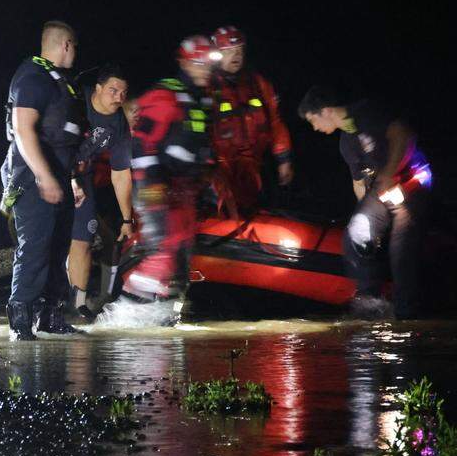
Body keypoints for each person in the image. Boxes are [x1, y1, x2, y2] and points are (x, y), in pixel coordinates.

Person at [298, 87, 430, 319]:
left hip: (412, 181)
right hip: (381, 191)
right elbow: (358, 183)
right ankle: (371, 305)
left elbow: (402, 135)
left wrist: (389, 173)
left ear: (326, 111)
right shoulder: (346, 142)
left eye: (313, 121)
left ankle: (406, 313)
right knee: (357, 232)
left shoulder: (367, 112)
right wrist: (369, 218)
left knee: (402, 249)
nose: (315, 128)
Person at [1, 21, 86, 340]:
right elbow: (23, 130)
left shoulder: (59, 81)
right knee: (35, 247)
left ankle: (50, 316)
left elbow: (64, 138)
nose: (75, 53)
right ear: (66, 45)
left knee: (58, 247)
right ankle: (20, 320)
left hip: (60, 177)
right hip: (32, 178)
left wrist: (72, 179)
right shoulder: (33, 77)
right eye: (75, 47)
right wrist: (43, 175)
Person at [123, 36, 217, 305]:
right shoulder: (165, 96)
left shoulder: (203, 100)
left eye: (208, 64)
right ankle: (127, 312)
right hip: (155, 186)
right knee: (162, 249)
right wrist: (152, 182)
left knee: (182, 254)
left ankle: (165, 311)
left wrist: (207, 184)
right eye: (199, 63)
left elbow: (203, 147)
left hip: (184, 189)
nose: (205, 69)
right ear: (185, 64)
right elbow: (140, 143)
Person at [67, 64, 132, 319]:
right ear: (97, 88)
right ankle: (34, 301)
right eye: (113, 90)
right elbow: (50, 140)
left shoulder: (119, 123)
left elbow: (121, 173)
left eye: (123, 93)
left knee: (84, 238)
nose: (119, 97)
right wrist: (69, 179)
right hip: (50, 169)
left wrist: (127, 219)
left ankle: (78, 305)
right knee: (46, 239)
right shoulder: (74, 101)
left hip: (83, 177)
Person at [209, 25, 293, 218]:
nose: (236, 56)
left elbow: (275, 123)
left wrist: (284, 159)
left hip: (254, 166)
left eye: (239, 50)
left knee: (256, 210)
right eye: (228, 51)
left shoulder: (258, 84)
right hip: (220, 170)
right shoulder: (208, 87)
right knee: (223, 214)